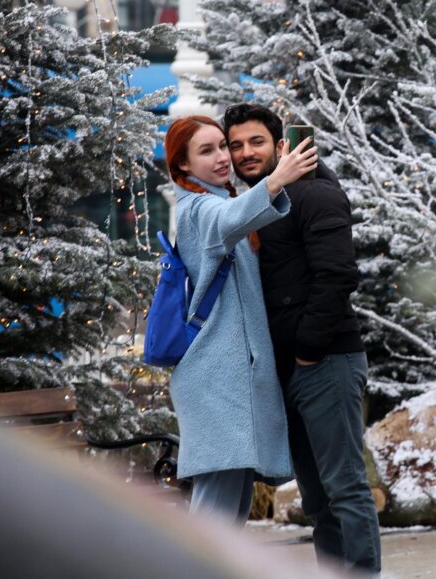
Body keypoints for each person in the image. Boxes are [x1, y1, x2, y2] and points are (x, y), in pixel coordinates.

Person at [223, 103, 381, 574]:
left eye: (256, 142)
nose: (245, 153)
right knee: (317, 498)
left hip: (325, 361)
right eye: (236, 145)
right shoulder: (262, 200)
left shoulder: (313, 193)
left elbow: (336, 276)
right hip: (290, 366)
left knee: (346, 487)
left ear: (280, 144)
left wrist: (309, 350)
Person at [163, 115, 317, 523]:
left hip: (227, 378)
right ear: (181, 165)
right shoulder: (198, 208)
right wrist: (277, 178)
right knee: (214, 514)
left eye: (221, 147)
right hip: (214, 378)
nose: (222, 158)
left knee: (230, 511)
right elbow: (227, 220)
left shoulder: (220, 201)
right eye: (206, 150)